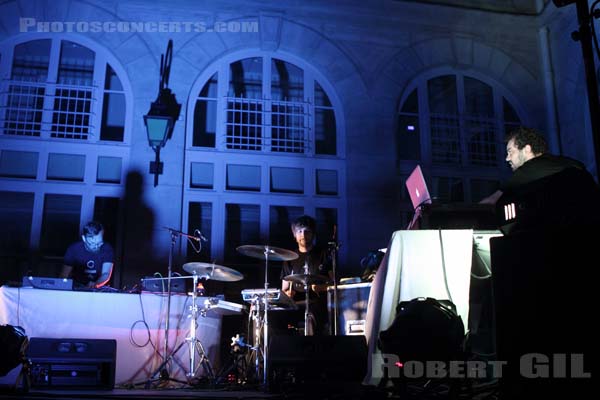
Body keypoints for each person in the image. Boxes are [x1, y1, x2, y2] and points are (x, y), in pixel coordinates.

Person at [480, 126, 594, 205]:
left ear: (527, 149)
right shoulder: (571, 163)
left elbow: (492, 202)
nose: (507, 158)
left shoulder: (529, 170)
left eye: (510, 152)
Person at [280, 215, 333, 336]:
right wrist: (287, 294)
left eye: (307, 231)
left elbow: (334, 284)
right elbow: (284, 289)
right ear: (294, 235)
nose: (303, 235)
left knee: (311, 315)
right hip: (295, 303)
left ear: (313, 234)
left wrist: (321, 288)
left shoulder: (323, 255)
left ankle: (311, 350)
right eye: (299, 231)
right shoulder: (289, 258)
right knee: (277, 314)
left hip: (318, 302)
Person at [60, 221, 114, 289]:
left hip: (99, 287)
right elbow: (64, 275)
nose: (96, 246)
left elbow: (106, 274)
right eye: (92, 243)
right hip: (75, 286)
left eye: (99, 243)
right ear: (84, 238)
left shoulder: (107, 249)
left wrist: (96, 284)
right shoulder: (74, 249)